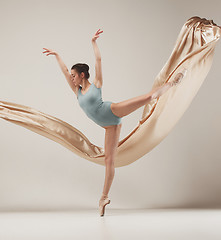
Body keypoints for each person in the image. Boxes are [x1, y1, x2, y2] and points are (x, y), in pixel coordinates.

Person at [42, 29, 187, 216]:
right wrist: (57, 55)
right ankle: (103, 198)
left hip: (113, 110)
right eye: (71, 76)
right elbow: (63, 71)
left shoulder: (97, 84)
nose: (71, 77)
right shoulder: (75, 90)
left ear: (83, 75)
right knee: (109, 161)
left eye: (74, 75)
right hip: (110, 126)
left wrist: (94, 43)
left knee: (149, 97)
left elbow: (98, 62)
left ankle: (173, 82)